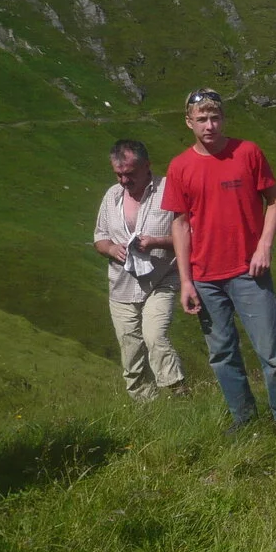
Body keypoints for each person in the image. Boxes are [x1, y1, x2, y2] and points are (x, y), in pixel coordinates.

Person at [162, 88, 276, 436]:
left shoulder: (247, 152)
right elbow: (180, 223)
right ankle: (244, 418)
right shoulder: (179, 167)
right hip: (205, 276)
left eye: (215, 118)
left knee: (271, 350)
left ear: (223, 119)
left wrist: (264, 246)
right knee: (222, 353)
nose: (209, 125)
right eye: (201, 119)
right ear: (189, 122)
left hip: (249, 270)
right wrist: (186, 281)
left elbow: (275, 200)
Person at [93, 139, 186, 402]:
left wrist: (156, 242)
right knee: (131, 353)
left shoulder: (168, 190)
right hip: (122, 286)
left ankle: (179, 395)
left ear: (147, 166)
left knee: (155, 335)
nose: (124, 180)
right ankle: (147, 408)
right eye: (119, 174)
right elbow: (99, 237)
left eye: (130, 173)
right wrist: (112, 249)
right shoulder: (112, 196)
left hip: (161, 280)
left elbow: (189, 234)